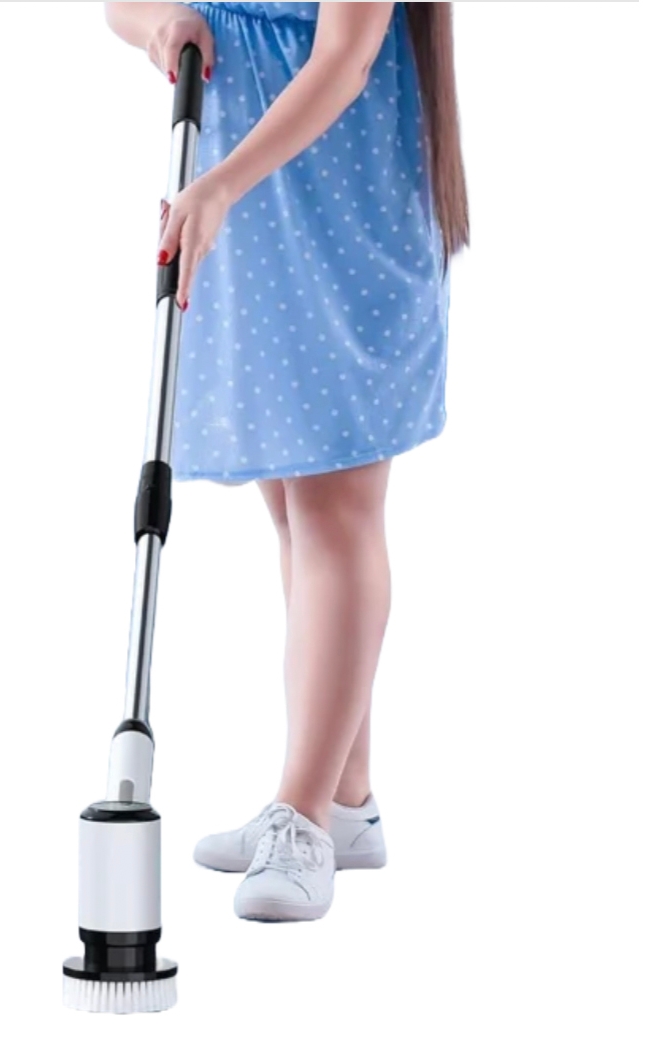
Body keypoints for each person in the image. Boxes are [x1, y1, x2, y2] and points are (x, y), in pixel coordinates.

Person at [103, 1, 468, 922]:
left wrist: (220, 184)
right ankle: (345, 800)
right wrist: (158, 25)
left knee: (337, 509)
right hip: (252, 218)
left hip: (340, 203)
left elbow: (345, 58)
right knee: (292, 512)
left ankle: (301, 813)